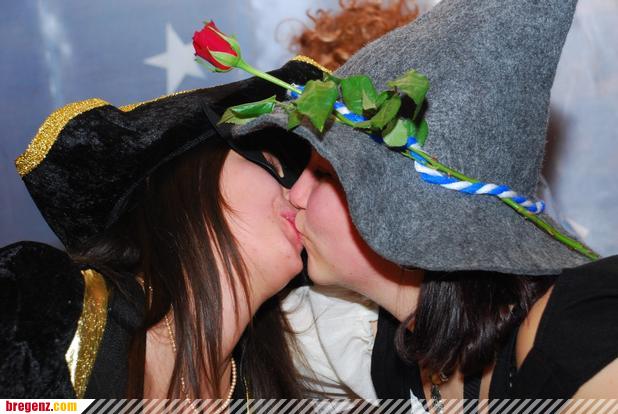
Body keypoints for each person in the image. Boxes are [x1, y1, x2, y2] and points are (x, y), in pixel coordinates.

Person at [229, 0, 618, 404]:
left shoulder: (575, 329)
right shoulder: (390, 355)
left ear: (404, 205)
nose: (294, 194)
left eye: (325, 174)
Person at [0, 57, 326, 403]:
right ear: (189, 178)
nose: (300, 196)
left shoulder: (271, 395)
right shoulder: (40, 305)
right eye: (273, 164)